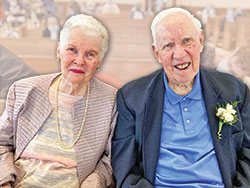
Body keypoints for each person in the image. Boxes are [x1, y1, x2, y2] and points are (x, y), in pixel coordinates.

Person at [111, 8, 250, 188]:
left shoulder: (234, 90)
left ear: (200, 41)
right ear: (157, 53)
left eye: (187, 41)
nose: (179, 54)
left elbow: (248, 154)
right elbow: (125, 169)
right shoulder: (131, 97)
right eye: (168, 45)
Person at [0, 14, 117, 188]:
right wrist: (5, 183)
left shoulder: (112, 101)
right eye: (72, 50)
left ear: (99, 61)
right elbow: (2, 143)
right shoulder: (23, 89)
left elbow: (110, 160)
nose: (79, 61)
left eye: (90, 54)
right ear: (59, 51)